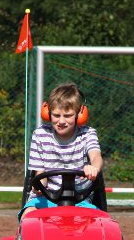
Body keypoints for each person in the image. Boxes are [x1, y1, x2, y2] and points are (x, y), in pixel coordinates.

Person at [21, 82, 103, 216]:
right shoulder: (40, 135)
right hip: (45, 198)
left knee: (99, 221)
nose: (61, 121)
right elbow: (40, 175)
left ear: (79, 114)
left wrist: (93, 168)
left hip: (80, 199)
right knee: (29, 215)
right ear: (48, 114)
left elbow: (96, 156)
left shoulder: (87, 134)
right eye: (56, 115)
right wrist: (39, 187)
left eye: (68, 115)